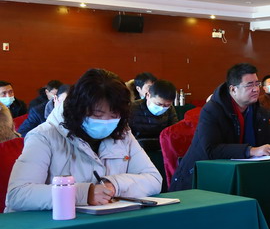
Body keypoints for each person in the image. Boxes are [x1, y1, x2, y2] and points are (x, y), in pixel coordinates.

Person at [5, 68, 162, 212]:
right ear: (78, 109)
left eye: (114, 115)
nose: (106, 121)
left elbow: (154, 179)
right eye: (97, 114)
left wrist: (114, 185)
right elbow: (18, 194)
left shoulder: (122, 133)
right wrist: (84, 193)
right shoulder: (44, 136)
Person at [169, 63, 270, 191]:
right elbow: (211, 149)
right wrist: (250, 151)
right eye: (250, 85)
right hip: (200, 178)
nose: (256, 89)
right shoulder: (212, 110)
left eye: (257, 84)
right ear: (233, 89)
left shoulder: (258, 111)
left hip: (241, 172)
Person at [128, 79, 179, 151]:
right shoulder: (131, 109)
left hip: (161, 149)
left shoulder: (170, 109)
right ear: (148, 95)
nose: (162, 108)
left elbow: (173, 133)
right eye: (159, 104)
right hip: (136, 149)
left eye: (167, 105)